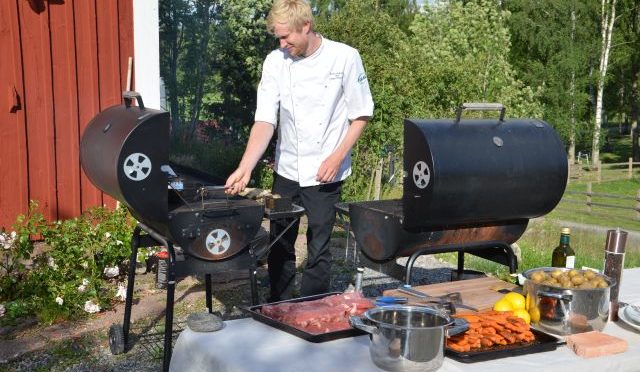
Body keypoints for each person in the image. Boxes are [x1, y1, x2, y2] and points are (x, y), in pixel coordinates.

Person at [225, 0, 374, 301]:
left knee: (319, 243)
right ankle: (279, 305)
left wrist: (337, 156)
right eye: (278, 38)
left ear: (306, 26)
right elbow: (265, 121)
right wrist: (246, 166)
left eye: (286, 37)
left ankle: (311, 308)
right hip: (288, 167)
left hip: (326, 169)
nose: (282, 44)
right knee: (280, 239)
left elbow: (361, 114)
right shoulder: (274, 62)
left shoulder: (344, 57)